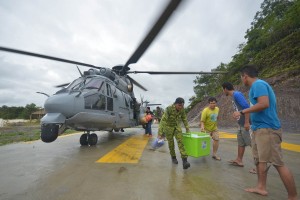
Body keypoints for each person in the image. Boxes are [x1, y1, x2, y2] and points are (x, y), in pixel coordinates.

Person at [233, 65, 297, 199]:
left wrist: (242, 112)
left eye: (241, 77)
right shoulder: (255, 87)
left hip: (268, 129)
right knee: (260, 160)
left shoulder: (258, 84)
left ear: (245, 76)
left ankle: (293, 196)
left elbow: (264, 104)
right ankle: (261, 187)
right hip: (258, 129)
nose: (241, 80)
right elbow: (257, 106)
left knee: (278, 163)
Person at [222, 82, 256, 174]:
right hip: (241, 124)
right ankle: (239, 160)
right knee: (241, 142)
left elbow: (246, 108)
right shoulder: (234, 96)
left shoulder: (237, 94)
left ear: (225, 89)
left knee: (253, 144)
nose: (223, 91)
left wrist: (246, 122)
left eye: (223, 89)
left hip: (246, 123)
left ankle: (259, 167)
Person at [158, 97, 191, 169]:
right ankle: (173, 157)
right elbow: (163, 120)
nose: (181, 107)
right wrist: (160, 132)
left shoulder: (182, 109)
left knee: (180, 142)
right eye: (179, 105)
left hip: (177, 127)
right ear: (175, 104)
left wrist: (187, 128)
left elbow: (184, 118)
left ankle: (185, 161)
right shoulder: (169, 109)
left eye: (182, 105)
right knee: (171, 143)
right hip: (168, 127)